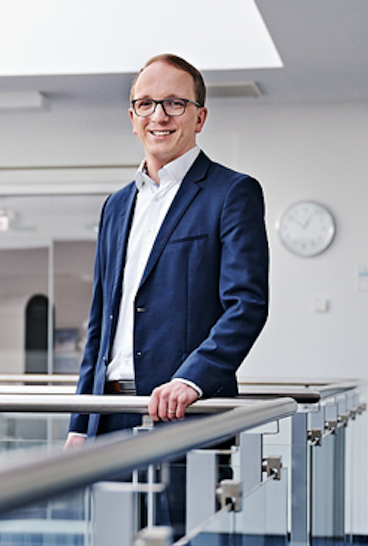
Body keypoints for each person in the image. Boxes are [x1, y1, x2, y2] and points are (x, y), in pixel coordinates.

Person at [66, 54, 269, 446]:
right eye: (146, 104)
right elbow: (100, 321)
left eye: (174, 103)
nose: (158, 116)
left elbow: (247, 304)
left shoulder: (231, 193)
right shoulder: (116, 205)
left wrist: (193, 378)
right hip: (108, 415)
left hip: (186, 413)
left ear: (200, 117)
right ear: (132, 118)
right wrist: (80, 419)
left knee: (181, 512)